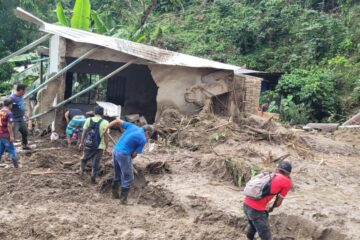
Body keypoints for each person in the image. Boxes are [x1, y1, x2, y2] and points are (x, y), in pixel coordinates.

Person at [104, 120, 154, 204]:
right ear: (147, 132)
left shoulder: (132, 126)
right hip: (124, 154)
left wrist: (106, 128)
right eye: (149, 135)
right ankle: (123, 200)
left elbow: (117, 121)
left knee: (118, 174)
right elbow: (134, 155)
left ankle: (114, 194)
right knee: (128, 177)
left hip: (115, 151)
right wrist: (127, 160)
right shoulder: (143, 139)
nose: (148, 137)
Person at [243, 161, 292, 240]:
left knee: (253, 225)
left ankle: (249, 238)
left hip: (246, 204)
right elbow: (278, 203)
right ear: (288, 173)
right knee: (266, 236)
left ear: (277, 169)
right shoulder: (286, 182)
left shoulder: (268, 174)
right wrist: (270, 208)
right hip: (257, 210)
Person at [79, 106, 109, 184]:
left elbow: (84, 133)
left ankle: (81, 172)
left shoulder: (88, 120)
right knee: (96, 163)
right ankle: (93, 178)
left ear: (94, 112)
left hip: (88, 144)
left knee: (84, 159)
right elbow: (106, 136)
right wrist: (106, 147)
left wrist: (81, 143)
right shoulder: (105, 122)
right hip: (99, 146)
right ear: (102, 114)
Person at [8, 84, 29, 150]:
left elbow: (22, 107)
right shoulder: (11, 98)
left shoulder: (21, 97)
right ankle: (6, 147)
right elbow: (7, 108)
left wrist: (25, 114)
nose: (24, 92)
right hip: (14, 119)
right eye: (24, 91)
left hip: (21, 118)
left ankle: (24, 145)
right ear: (20, 90)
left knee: (25, 132)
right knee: (12, 134)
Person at [0, 99, 18, 168]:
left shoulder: (0, 111)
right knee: (11, 149)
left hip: (0, 134)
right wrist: (11, 136)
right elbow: (9, 125)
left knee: (1, 149)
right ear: (10, 105)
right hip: (6, 134)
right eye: (12, 104)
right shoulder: (9, 113)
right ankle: (16, 166)